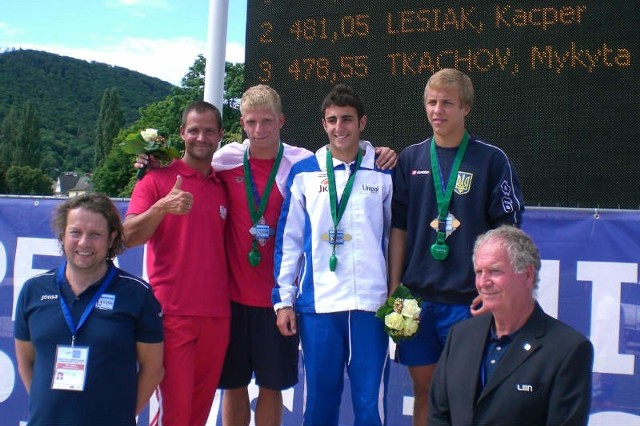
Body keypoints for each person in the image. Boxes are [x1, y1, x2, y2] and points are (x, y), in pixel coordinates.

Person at [136, 85, 396, 426]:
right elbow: (190, 161)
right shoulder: (224, 159)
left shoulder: (302, 162)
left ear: (281, 121)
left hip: (276, 300)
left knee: (274, 387)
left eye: (267, 122)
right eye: (252, 123)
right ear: (242, 124)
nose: (259, 131)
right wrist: (151, 162)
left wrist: (377, 153)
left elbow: (346, 167)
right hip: (230, 299)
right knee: (234, 386)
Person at [388, 68, 525, 425]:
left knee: (465, 396)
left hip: (468, 300)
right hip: (412, 300)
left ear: (466, 108)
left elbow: (507, 233)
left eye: (447, 103)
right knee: (424, 392)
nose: (437, 110)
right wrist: (394, 289)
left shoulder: (491, 160)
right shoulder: (410, 159)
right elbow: (398, 229)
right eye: (431, 102)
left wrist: (492, 289)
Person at [273, 83, 393, 425]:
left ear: (362, 123)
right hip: (319, 305)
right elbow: (289, 242)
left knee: (370, 405)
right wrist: (283, 301)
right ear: (323, 125)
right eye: (332, 120)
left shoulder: (383, 172)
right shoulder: (305, 174)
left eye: (347, 120)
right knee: (319, 404)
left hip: (371, 305)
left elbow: (394, 236)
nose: (340, 127)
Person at [14, 192, 164, 426]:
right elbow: (26, 361)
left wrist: (121, 415)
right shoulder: (33, 291)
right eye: (75, 232)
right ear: (62, 235)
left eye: (95, 234)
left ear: (111, 238)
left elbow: (153, 369)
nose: (84, 243)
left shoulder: (136, 294)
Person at [124, 101, 229, 426]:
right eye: (194, 130)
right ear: (182, 133)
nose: (201, 137)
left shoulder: (223, 184)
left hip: (217, 316)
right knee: (174, 414)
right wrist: (161, 208)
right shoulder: (156, 180)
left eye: (209, 130)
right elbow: (126, 237)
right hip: (171, 314)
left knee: (198, 415)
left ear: (220, 136)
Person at [429, 225, 594, 425]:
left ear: (527, 275)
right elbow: (439, 416)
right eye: (479, 271)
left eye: (494, 271)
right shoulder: (460, 335)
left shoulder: (568, 350)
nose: (483, 282)